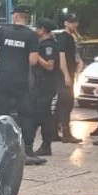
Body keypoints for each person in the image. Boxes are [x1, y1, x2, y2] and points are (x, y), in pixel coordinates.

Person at [0, 5, 46, 166]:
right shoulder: (31, 35)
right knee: (25, 114)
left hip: (3, 79)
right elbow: (33, 61)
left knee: (0, 114)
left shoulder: (3, 31)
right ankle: (28, 150)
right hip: (20, 81)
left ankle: (0, 148)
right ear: (27, 18)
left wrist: (3, 52)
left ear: (15, 16)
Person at [25, 20, 60, 157]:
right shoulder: (42, 44)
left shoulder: (48, 46)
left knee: (44, 115)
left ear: (43, 30)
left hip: (46, 85)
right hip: (39, 84)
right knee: (37, 114)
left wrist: (36, 55)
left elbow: (49, 65)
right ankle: (33, 144)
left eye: (38, 28)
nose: (36, 31)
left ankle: (46, 145)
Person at [56, 13, 81, 143]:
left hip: (70, 73)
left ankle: (54, 131)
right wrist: (66, 74)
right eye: (71, 22)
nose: (74, 24)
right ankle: (66, 133)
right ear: (66, 23)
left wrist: (79, 62)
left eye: (75, 22)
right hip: (64, 75)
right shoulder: (63, 37)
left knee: (63, 103)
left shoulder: (71, 37)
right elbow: (61, 57)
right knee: (66, 102)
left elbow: (73, 55)